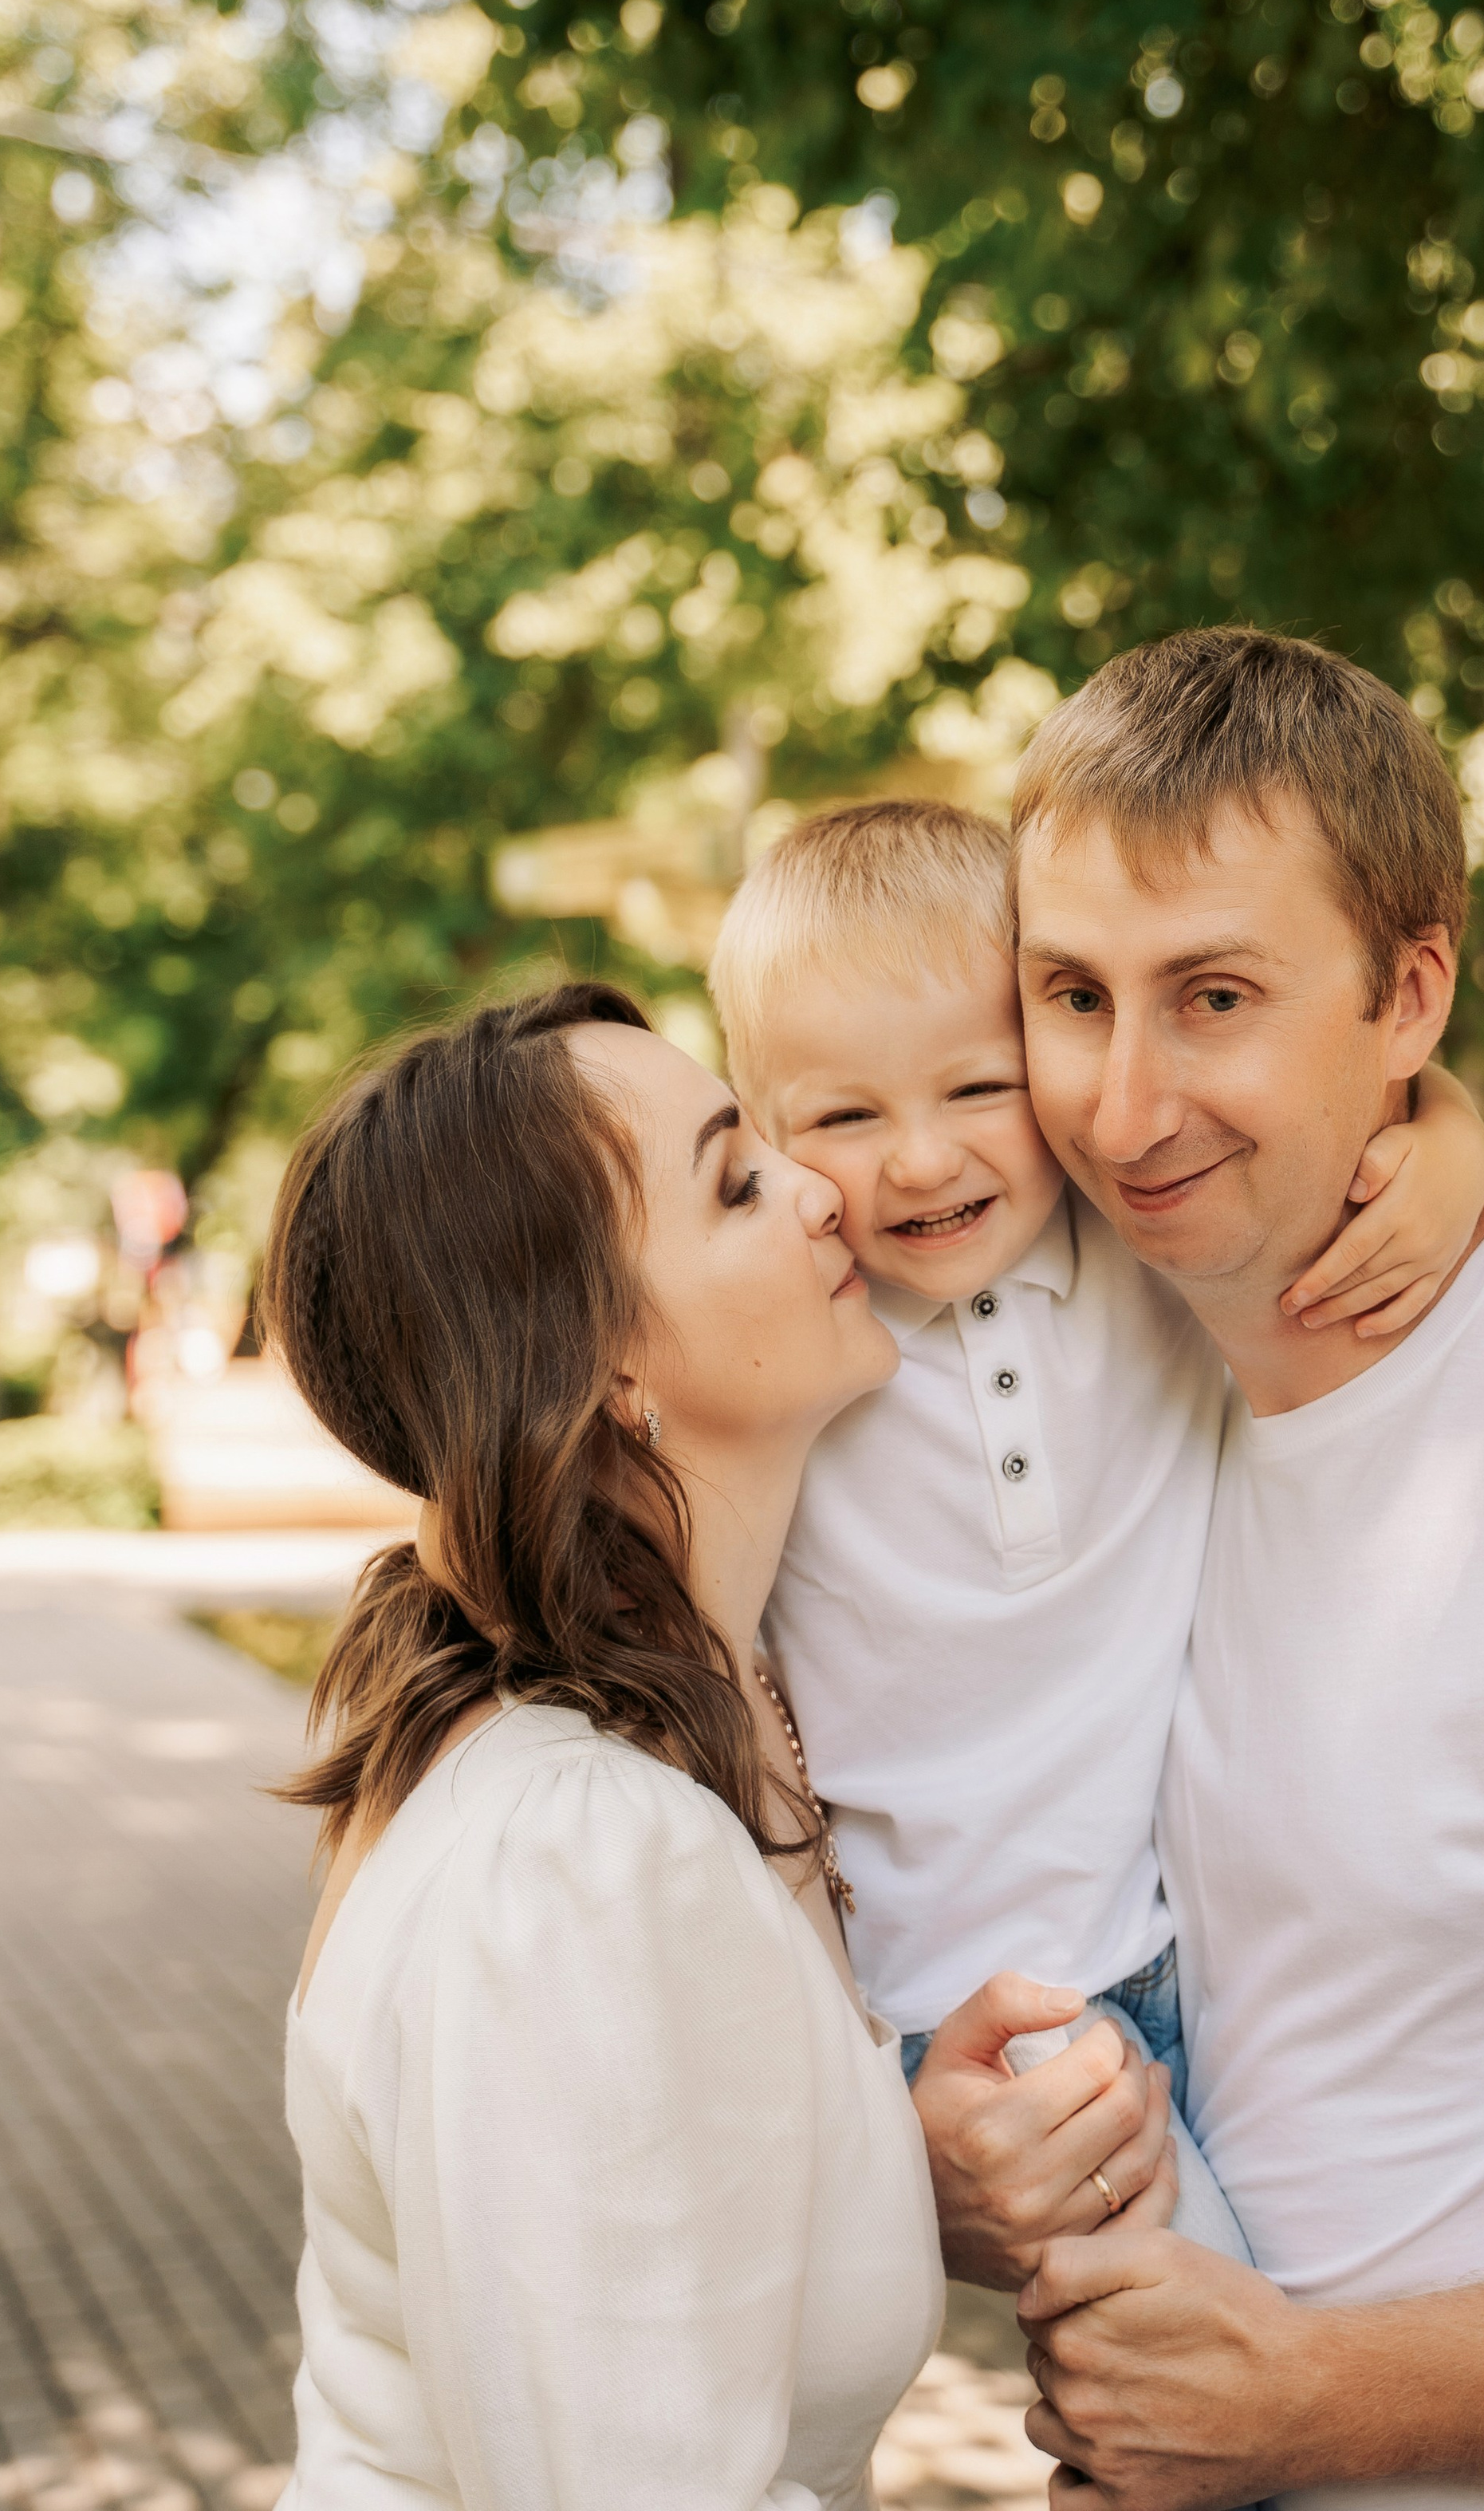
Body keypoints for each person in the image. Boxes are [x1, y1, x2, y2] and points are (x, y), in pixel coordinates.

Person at [954, 625, 1484, 2511]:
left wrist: (1315, 2403)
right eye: (1069, 996)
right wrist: (944, 2171)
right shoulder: (1101, 1392)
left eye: (1213, 997)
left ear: (1407, 995)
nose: (1116, 1107)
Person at [707, 797, 1484, 2257]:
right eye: (845, 1117)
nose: (926, 1164)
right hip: (972, 2011)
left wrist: (1451, 1141)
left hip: (1192, 1954)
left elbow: (1352, 1136)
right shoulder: (796, 1335)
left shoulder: (1146, 1251)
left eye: (976, 1089)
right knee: (1200, 2343)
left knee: (1300, 2311)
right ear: (762, 1124)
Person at [258, 982, 944, 2511]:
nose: (827, 1186)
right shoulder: (572, 1855)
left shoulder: (723, 1707)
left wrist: (909, 2162)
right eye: (738, 1181)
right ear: (604, 1371)